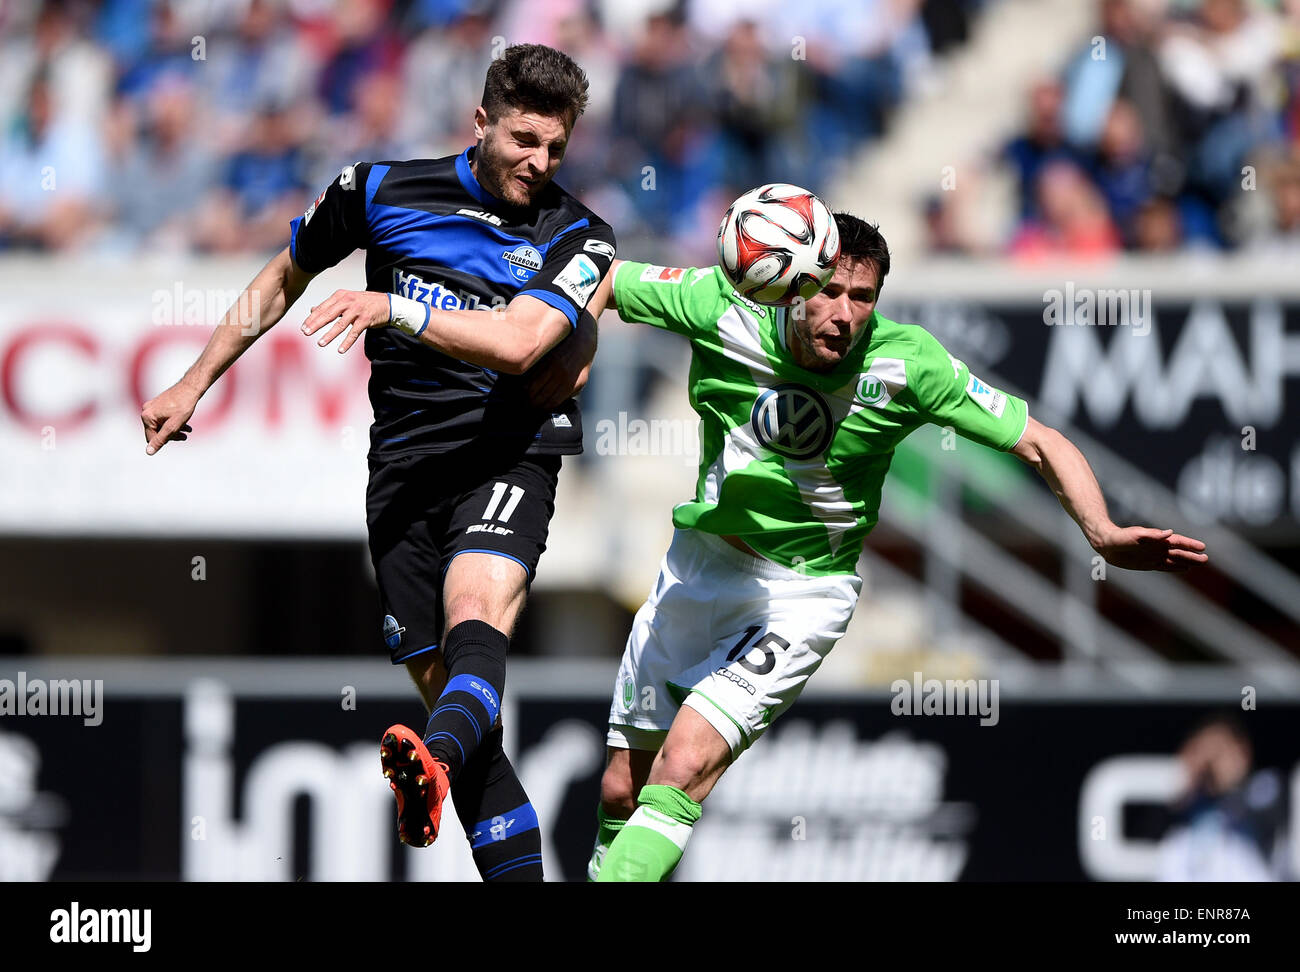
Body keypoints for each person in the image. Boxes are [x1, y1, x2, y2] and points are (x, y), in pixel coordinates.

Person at [582, 212, 1208, 882]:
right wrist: (576, 355)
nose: (845, 314)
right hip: (697, 564)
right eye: (828, 291)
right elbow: (606, 278)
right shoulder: (720, 305)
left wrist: (1103, 533)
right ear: (791, 282)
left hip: (799, 595)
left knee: (685, 765)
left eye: (864, 297)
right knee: (621, 788)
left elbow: (1041, 441)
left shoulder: (910, 364)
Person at [140, 44, 616, 882]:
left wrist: (393, 305)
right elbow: (288, 273)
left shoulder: (578, 233)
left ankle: (428, 769)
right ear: (481, 123)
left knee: (478, 612)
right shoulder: (379, 189)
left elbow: (520, 343)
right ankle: (446, 781)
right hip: (400, 470)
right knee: (464, 733)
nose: (539, 164)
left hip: (507, 453)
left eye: (556, 149)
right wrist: (194, 378)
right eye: (524, 140)